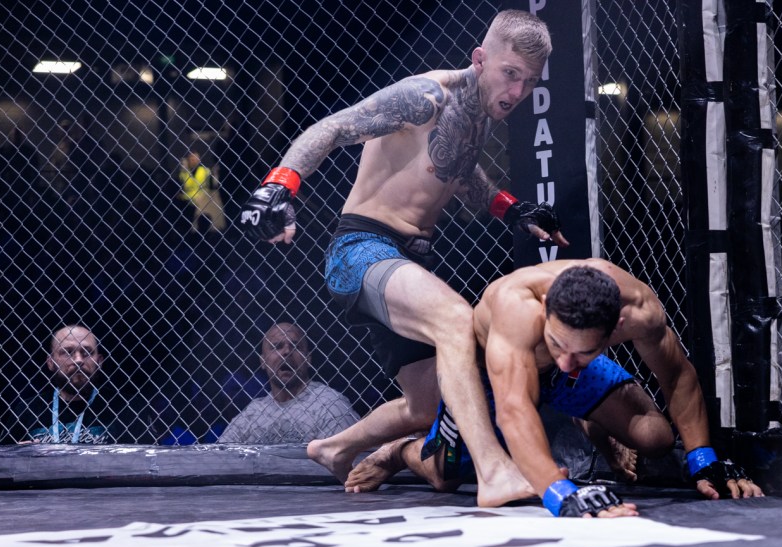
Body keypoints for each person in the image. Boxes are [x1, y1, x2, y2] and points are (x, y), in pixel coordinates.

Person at [236, 10, 566, 505]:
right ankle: (494, 472)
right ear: (480, 59)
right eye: (510, 73)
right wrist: (278, 186)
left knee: (426, 405)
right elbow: (334, 127)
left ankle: (333, 448)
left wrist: (511, 208)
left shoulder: (480, 115)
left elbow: (459, 172)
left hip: (405, 260)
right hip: (360, 250)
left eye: (529, 81)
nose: (517, 91)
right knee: (456, 319)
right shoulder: (426, 96)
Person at [345, 260, 765, 517]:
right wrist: (561, 493)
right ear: (546, 309)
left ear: (616, 327)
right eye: (557, 343)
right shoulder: (516, 307)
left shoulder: (640, 310)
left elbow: (677, 375)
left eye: (583, 350)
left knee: (656, 439)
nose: (566, 360)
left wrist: (704, 462)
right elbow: (515, 407)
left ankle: (592, 420)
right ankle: (400, 451)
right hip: (497, 376)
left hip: (572, 376)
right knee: (444, 477)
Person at [6, 325, 154, 444]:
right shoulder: (26, 411)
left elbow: (149, 462)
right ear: (51, 362)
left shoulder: (128, 408)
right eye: (68, 352)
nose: (78, 360)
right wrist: (20, 455)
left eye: (87, 352)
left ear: (99, 361)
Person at [218, 322, 360, 443]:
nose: (287, 351)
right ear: (263, 361)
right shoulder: (253, 413)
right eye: (277, 346)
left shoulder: (330, 404)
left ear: (308, 359)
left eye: (295, 346)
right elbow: (219, 457)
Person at [179, 150, 226, 233]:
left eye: (196, 158)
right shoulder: (184, 173)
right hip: (187, 202)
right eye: (192, 159)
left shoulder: (205, 171)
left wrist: (215, 175)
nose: (194, 161)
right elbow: (181, 189)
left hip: (202, 200)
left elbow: (212, 186)